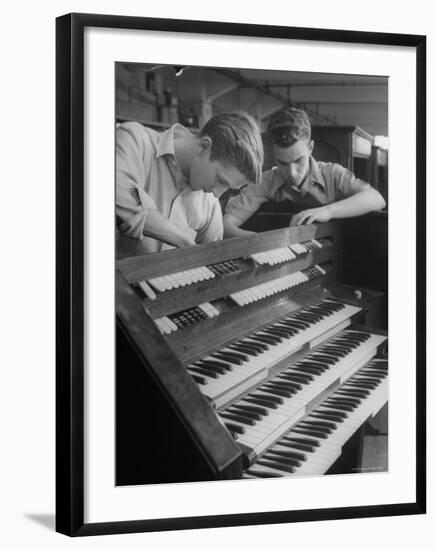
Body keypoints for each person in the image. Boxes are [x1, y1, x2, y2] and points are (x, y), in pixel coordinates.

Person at [223, 107, 386, 238]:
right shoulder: (265, 182)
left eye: (298, 161)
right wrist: (260, 242)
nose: (292, 173)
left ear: (310, 148)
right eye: (283, 163)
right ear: (274, 153)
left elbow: (377, 199)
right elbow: (226, 224)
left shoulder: (333, 174)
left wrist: (327, 211)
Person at [116, 112, 263, 255]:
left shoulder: (210, 202)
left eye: (228, 188)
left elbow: (212, 259)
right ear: (204, 147)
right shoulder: (133, 139)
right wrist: (183, 241)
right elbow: (119, 199)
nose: (217, 193)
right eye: (221, 180)